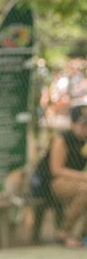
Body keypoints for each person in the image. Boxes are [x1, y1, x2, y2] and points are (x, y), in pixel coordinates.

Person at [32, 105, 87, 247]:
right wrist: (82, 177)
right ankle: (63, 232)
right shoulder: (62, 139)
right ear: (73, 124)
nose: (85, 129)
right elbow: (56, 170)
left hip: (74, 181)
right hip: (50, 182)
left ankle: (82, 235)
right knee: (85, 190)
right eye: (83, 125)